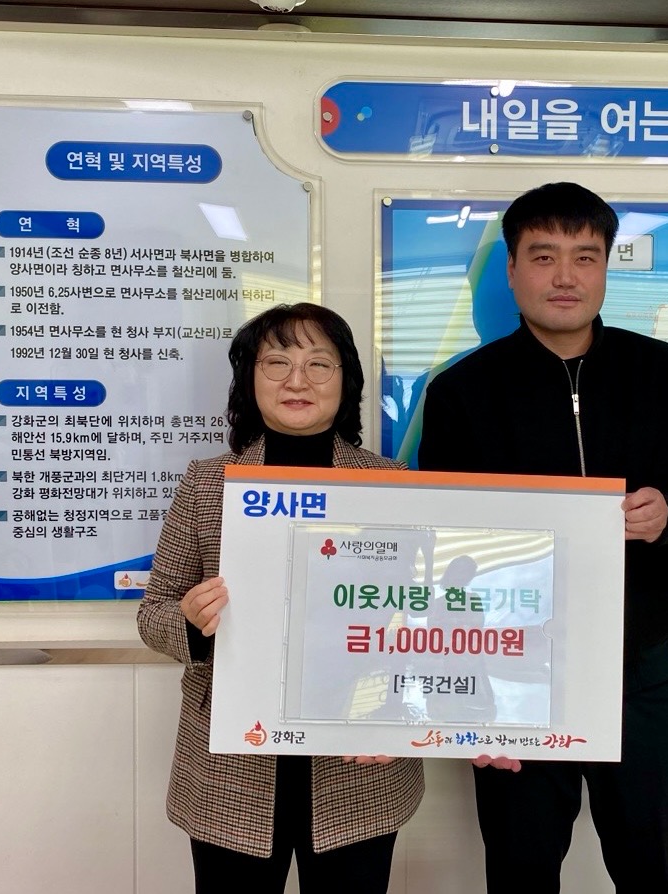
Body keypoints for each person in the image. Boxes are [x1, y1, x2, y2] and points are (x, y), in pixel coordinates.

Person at [417, 182, 668, 893]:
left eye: (585, 256)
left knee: (654, 872)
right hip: (513, 678)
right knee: (520, 873)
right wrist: (464, 699)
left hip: (641, 674)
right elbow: (441, 548)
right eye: (543, 257)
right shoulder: (462, 391)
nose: (565, 276)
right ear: (512, 270)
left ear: (606, 267)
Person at [138, 303, 424, 894]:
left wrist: (394, 713)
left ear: (346, 381)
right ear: (250, 378)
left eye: (319, 363)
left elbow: (420, 619)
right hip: (230, 768)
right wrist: (190, 622)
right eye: (277, 363)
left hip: (357, 762)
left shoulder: (391, 483)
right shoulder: (207, 483)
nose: (298, 380)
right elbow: (154, 611)